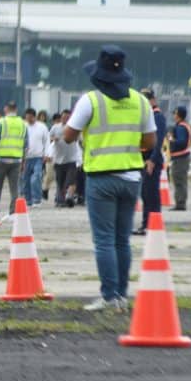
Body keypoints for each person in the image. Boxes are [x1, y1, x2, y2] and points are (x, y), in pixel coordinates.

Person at [63, 45, 156, 311]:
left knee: (104, 240)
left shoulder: (90, 100)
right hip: (132, 178)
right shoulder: (140, 101)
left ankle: (109, 296)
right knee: (122, 240)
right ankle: (122, 295)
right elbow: (150, 141)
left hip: (101, 178)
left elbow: (68, 136)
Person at [134, 89, 165, 234]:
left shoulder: (157, 116)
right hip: (144, 159)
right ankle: (147, 224)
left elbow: (158, 141)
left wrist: (152, 160)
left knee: (151, 194)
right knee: (146, 194)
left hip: (151, 160)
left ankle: (151, 225)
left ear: (152, 100)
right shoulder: (147, 115)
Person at [0, 101, 27, 220]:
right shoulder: (23, 123)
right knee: (14, 188)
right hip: (16, 160)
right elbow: (26, 145)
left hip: (1, 159)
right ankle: (13, 213)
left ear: (6, 109)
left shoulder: (1, 122)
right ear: (16, 109)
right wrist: (23, 161)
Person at [50, 110, 80, 206]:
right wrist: (54, 139)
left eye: (67, 118)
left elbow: (79, 139)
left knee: (70, 180)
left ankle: (69, 197)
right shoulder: (55, 127)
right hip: (59, 160)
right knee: (60, 182)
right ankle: (61, 200)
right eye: (63, 117)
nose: (65, 119)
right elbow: (49, 138)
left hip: (71, 159)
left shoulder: (74, 127)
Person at [21, 108, 50, 207]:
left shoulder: (42, 127)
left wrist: (46, 154)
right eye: (27, 118)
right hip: (26, 157)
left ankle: (37, 199)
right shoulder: (23, 126)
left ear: (34, 117)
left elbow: (46, 141)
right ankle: (28, 200)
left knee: (36, 178)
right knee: (26, 179)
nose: (28, 120)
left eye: (30, 118)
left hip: (38, 157)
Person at [168, 105, 191, 211]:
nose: (173, 115)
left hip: (180, 158)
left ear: (178, 115)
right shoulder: (184, 125)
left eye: (175, 113)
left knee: (179, 181)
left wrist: (171, 140)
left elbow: (181, 142)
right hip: (182, 158)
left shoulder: (181, 127)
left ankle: (180, 203)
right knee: (181, 180)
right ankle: (180, 202)